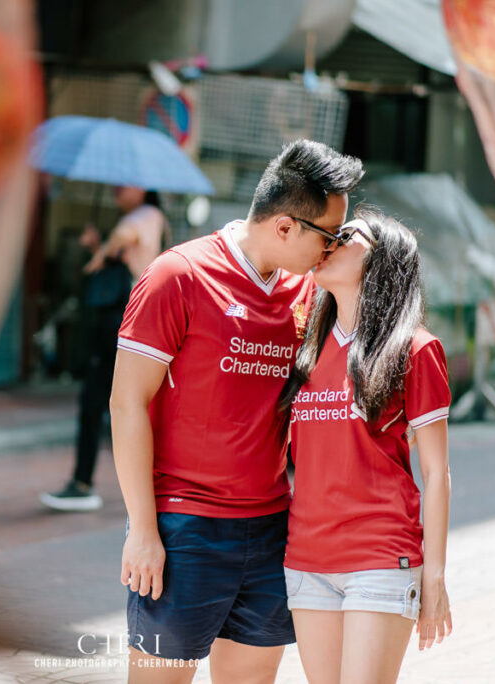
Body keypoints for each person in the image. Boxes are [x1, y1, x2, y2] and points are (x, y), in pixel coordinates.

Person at [110, 140, 363, 682]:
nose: (333, 248)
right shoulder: (177, 276)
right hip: (185, 528)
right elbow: (126, 403)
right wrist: (142, 530)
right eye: (330, 235)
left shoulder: (306, 292)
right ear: (286, 226)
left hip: (271, 527)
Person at [280, 210, 453, 683]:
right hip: (307, 558)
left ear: (383, 260)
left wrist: (434, 576)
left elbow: (437, 473)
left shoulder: (416, 349)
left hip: (380, 557)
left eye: (347, 235)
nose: (329, 241)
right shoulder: (306, 348)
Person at [40, 186, 168, 512]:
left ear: (142, 189)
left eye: (125, 185)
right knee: (125, 405)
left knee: (94, 402)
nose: (117, 189)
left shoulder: (144, 216)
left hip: (120, 322)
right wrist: (101, 246)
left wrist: (101, 251)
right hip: (133, 322)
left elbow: (125, 235)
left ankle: (82, 484)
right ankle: (148, 487)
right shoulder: (152, 219)